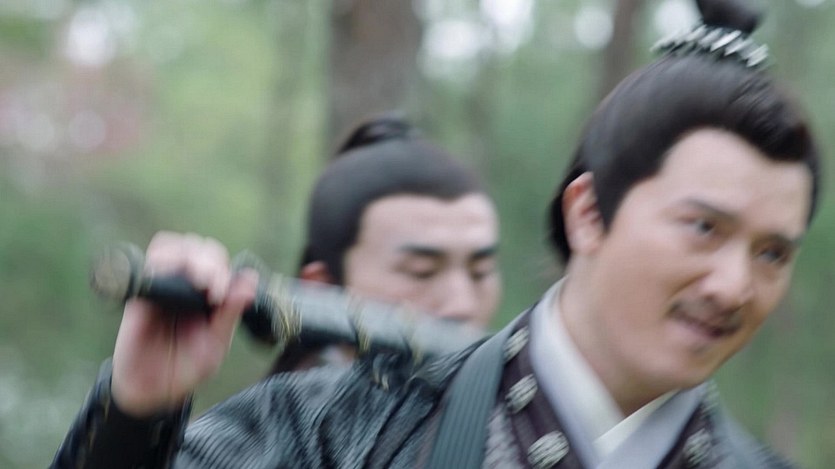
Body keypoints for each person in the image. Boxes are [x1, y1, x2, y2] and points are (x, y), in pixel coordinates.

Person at [52, 0, 818, 467]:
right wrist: (135, 412)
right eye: (701, 227)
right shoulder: (337, 426)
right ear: (587, 211)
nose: (734, 285)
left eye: (772, 251)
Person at [270, 115, 501, 372]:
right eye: (421, 272)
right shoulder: (278, 399)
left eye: (480, 272)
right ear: (323, 290)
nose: (462, 306)